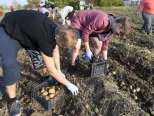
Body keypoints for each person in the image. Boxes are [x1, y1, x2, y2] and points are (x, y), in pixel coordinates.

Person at [0, 10, 79, 116]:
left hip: (27, 34)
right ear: (58, 37)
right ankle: (12, 100)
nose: (63, 47)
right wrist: (68, 84)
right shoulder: (45, 37)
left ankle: (45, 78)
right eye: (63, 45)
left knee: (43, 59)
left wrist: (59, 70)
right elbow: (51, 69)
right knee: (9, 65)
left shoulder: (56, 30)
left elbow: (55, 49)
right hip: (10, 30)